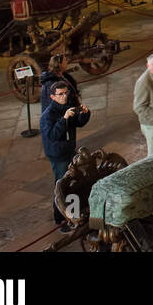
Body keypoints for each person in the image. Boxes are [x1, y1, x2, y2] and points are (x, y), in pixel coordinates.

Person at [40, 82, 90, 232]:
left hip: (69, 151)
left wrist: (85, 114)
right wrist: (64, 119)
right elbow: (53, 135)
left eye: (66, 93)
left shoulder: (67, 107)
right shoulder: (47, 116)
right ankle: (60, 220)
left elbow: (78, 123)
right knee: (61, 186)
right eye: (60, 94)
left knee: (73, 183)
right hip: (58, 155)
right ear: (52, 97)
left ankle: (74, 215)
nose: (64, 96)